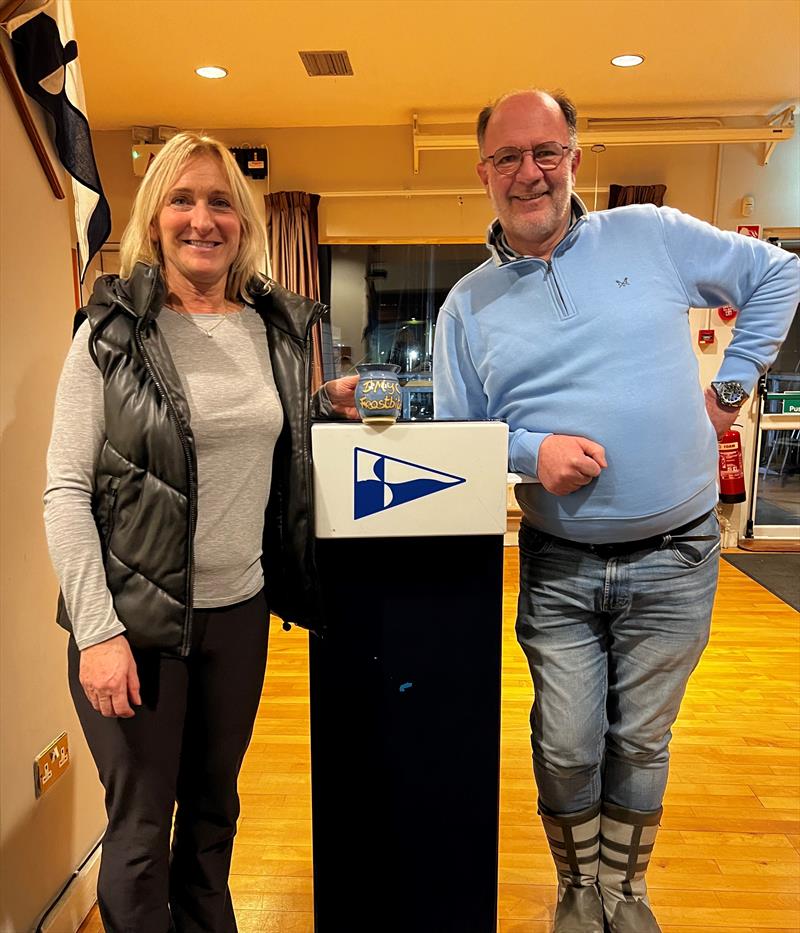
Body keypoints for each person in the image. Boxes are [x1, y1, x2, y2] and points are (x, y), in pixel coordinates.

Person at [433, 89, 799, 933]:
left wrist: (731, 389)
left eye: (546, 151)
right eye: (509, 158)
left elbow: (780, 273)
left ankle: (623, 891)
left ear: (573, 156)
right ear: (483, 171)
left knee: (641, 738)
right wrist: (531, 453)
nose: (530, 172)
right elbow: (461, 438)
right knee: (565, 742)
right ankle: (574, 887)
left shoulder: (649, 234)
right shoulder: (466, 307)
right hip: (559, 561)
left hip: (679, 553)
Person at [44, 131, 356, 933]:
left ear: (244, 221)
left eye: (221, 201)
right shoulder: (108, 334)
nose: (202, 218)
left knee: (213, 818)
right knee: (142, 834)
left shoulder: (274, 329)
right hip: (134, 624)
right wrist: (97, 632)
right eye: (182, 199)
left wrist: (322, 409)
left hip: (238, 615)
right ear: (154, 221)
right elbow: (65, 491)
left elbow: (248, 439)